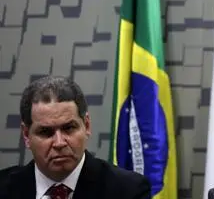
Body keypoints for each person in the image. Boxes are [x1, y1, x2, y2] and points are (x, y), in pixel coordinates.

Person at [0, 75, 151, 198]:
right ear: (26, 135)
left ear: (87, 126)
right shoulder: (4, 188)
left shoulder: (128, 191)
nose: (59, 143)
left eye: (69, 128)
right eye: (46, 132)